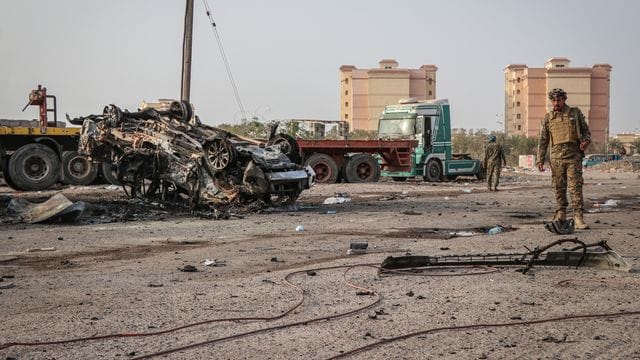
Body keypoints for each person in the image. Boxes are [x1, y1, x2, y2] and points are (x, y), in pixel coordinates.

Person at [536, 88, 591, 229]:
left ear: (564, 99)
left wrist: (585, 141)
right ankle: (561, 213)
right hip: (556, 159)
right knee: (559, 187)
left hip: (573, 156)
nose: (556, 103)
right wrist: (540, 159)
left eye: (558, 100)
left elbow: (586, 132)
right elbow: (543, 140)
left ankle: (578, 217)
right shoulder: (548, 118)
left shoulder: (575, 113)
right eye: (553, 100)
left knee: (575, 188)